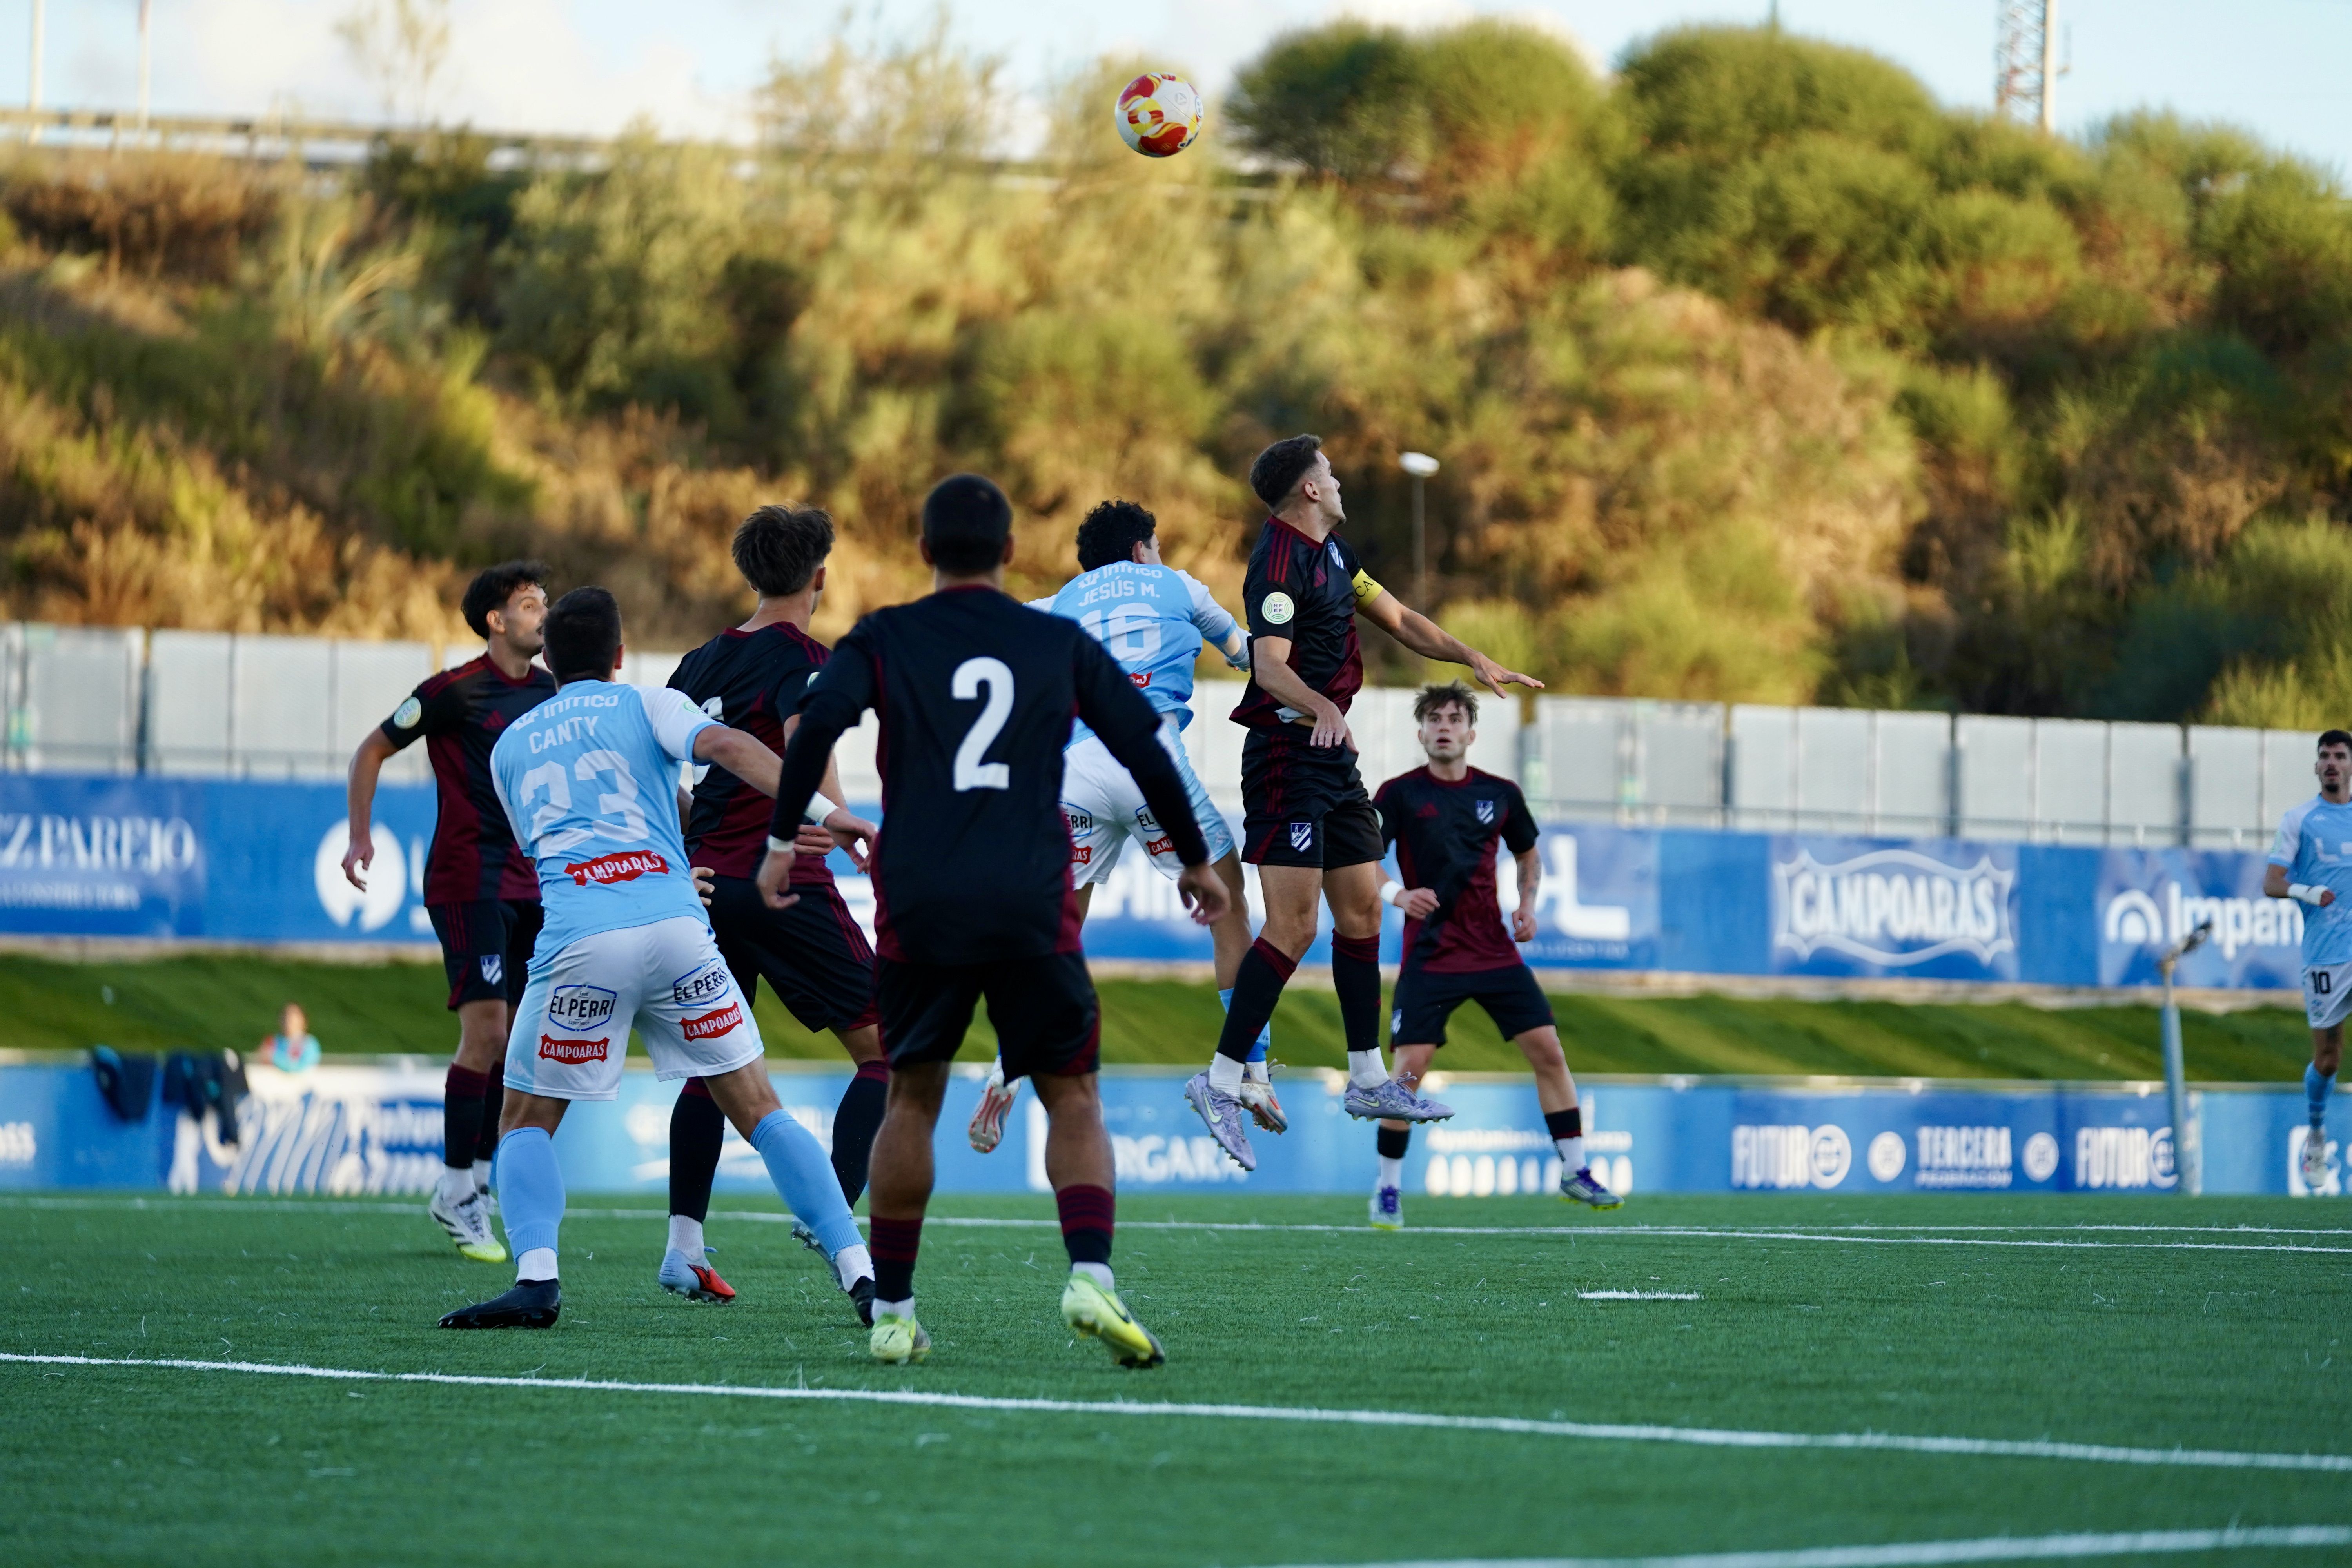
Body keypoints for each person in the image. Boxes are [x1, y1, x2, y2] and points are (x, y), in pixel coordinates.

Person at [755, 473, 1229, 1367]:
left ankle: (892, 1310)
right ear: (1011, 553)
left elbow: (814, 729)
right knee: (1072, 1092)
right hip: (1029, 894)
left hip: (922, 893)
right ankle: (1090, 1273)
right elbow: (1142, 740)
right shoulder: (1051, 637)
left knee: (912, 1095)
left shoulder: (884, 635)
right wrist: (1199, 863)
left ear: (927, 551)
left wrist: (786, 835)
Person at [438, 588, 875, 1331]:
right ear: (619, 652)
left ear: (547, 662)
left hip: (580, 939)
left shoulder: (512, 743)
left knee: (524, 1119)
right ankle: (859, 1272)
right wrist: (827, 812)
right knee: (759, 1107)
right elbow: (730, 750)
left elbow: (541, 843)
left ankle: (537, 1279)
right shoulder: (646, 703)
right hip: (676, 930)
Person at [1185, 434, 1543, 1171]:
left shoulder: (1337, 558)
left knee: (1357, 913)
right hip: (1287, 756)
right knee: (1293, 926)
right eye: (1330, 473)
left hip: (1332, 757)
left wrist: (1471, 656)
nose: (1340, 480)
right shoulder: (1277, 563)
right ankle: (1219, 1081)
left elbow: (1405, 622)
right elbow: (1270, 666)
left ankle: (1370, 1079)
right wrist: (1322, 707)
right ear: (1309, 490)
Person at [964, 497, 1276, 1155]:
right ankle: (1250, 1070)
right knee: (1230, 911)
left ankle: (1007, 1066)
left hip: (1074, 772)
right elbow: (1250, 657)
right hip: (1149, 765)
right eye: (1156, 547)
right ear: (1143, 548)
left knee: (1057, 934)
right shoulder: (1180, 586)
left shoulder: (1062, 599)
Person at [657, 504, 882, 1306]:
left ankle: (685, 1245)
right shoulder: (803, 656)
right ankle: (836, 1213)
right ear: (819, 575)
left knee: (716, 1062)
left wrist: (690, 850)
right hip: (779, 878)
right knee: (888, 1043)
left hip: (706, 883)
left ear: (752, 574)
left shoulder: (698, 660)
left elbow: (668, 780)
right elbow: (804, 733)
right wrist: (827, 816)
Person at [342, 561, 557, 1265]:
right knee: (489, 1027)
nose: (542, 616)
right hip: (468, 880)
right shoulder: (452, 691)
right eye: (530, 606)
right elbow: (373, 749)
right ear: (497, 621)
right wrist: (361, 836)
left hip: (536, 886)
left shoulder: (557, 692)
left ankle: (489, 1181)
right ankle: (456, 1187)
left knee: (521, 1039)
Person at [1365, 682, 1621, 1229]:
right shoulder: (1398, 794)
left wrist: (1528, 905)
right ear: (1420, 732)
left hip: (1494, 952)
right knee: (1409, 1073)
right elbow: (1360, 856)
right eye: (1434, 719)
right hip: (1431, 954)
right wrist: (1397, 895)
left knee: (1550, 1053)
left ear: (1471, 733)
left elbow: (1528, 852)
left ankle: (1575, 1170)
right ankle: (1387, 1190)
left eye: (1454, 718)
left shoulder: (1501, 793)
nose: (1444, 727)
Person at [2264, 728, 2352, 1191]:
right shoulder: (2299, 819)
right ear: (2316, 767)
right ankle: (2317, 1134)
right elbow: (2272, 880)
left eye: (2340, 755)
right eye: (2325, 756)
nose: (2332, 762)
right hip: (2325, 957)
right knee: (2328, 1058)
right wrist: (2306, 890)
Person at [259, 1003, 321, 1073]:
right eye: (285, 1017)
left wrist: (273, 1058)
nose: (288, 1021)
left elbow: (304, 1068)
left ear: (302, 1020)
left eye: (292, 1018)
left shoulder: (309, 1043)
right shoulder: (272, 1041)